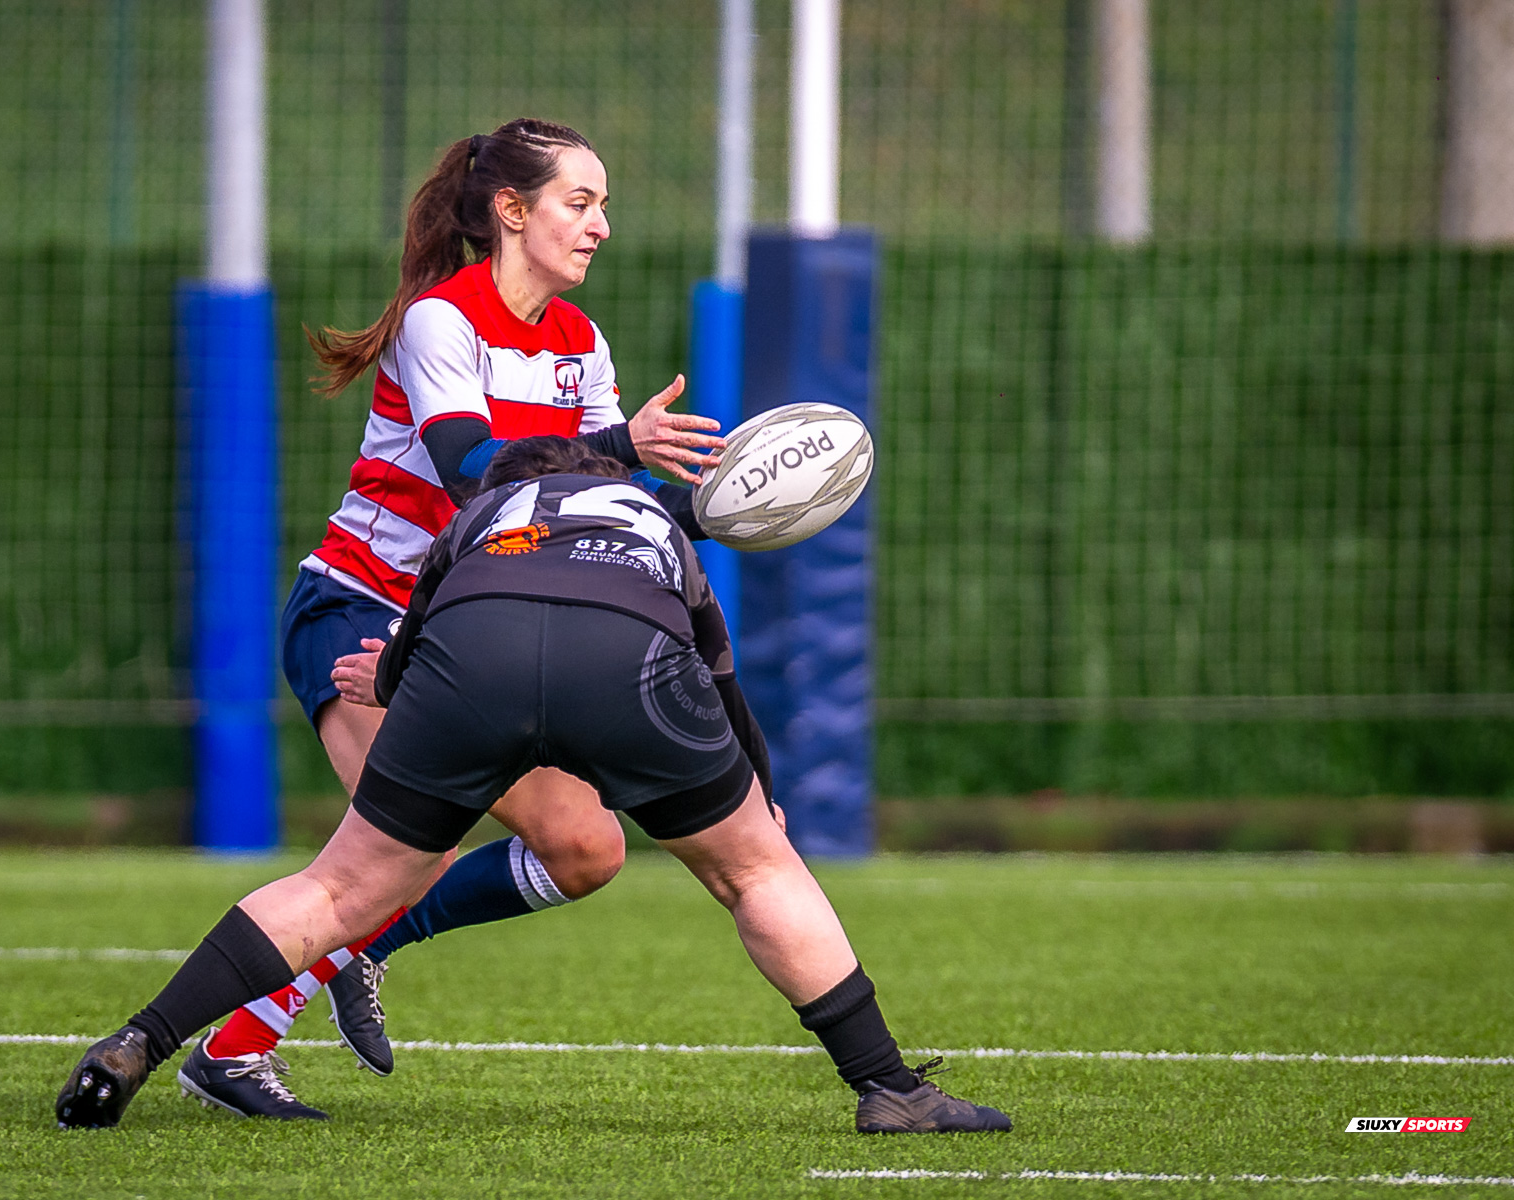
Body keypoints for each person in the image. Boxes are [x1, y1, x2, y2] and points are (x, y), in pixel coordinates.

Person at [55, 438, 1013, 1136]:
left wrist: (388, 683)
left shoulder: (479, 518)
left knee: (342, 886)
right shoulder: (646, 520)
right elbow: (720, 676)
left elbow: (414, 645)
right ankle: (889, 1087)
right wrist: (758, 797)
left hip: (476, 653)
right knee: (757, 874)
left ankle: (140, 1039)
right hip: (630, 655)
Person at [168, 117, 729, 1117]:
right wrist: (625, 447)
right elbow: (474, 469)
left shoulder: (580, 345)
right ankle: (189, 1047)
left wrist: (730, 508)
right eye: (580, 203)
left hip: (464, 630)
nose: (600, 226)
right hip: (361, 610)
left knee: (586, 849)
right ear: (511, 212)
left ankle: (307, 994)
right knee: (393, 856)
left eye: (604, 206)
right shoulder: (443, 320)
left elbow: (582, 499)